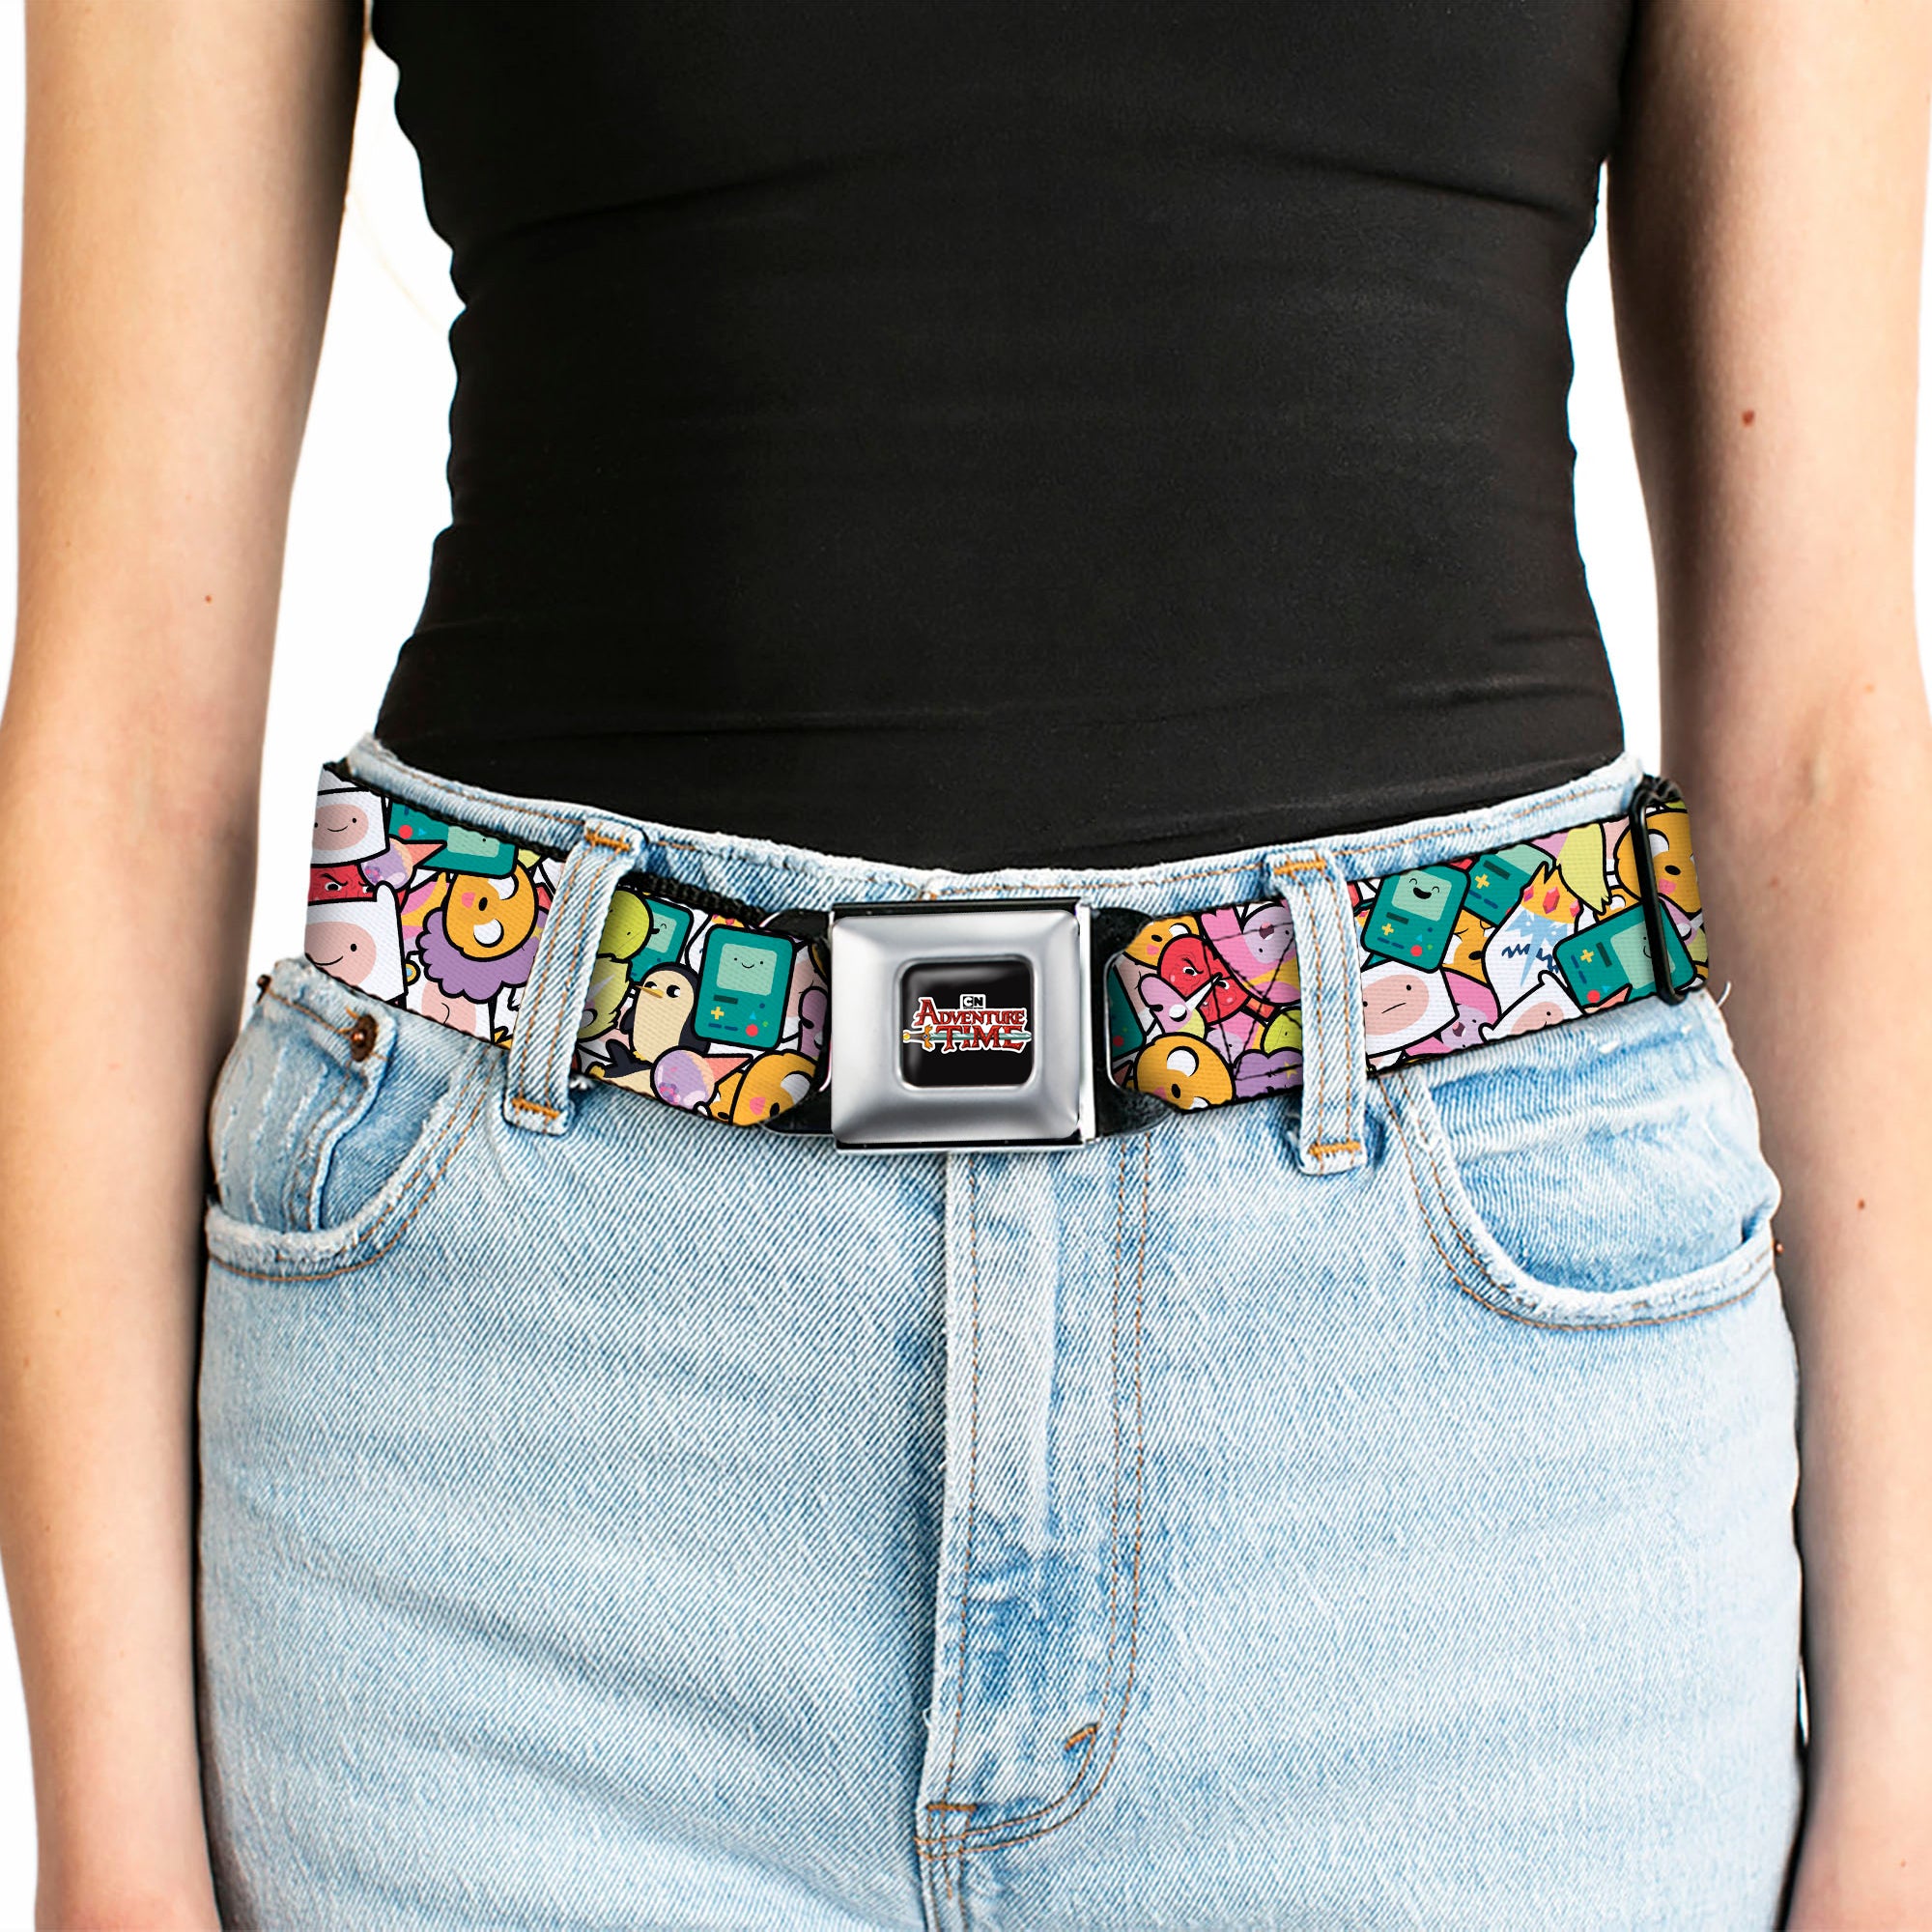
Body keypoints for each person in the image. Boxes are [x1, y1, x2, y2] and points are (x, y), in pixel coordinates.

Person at [1, 0, 1927, 1925]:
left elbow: (1823, 742)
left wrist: (1908, 1790)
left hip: (1476, 1511)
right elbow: (119, 756)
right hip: (516, 1496)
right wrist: (108, 1842)